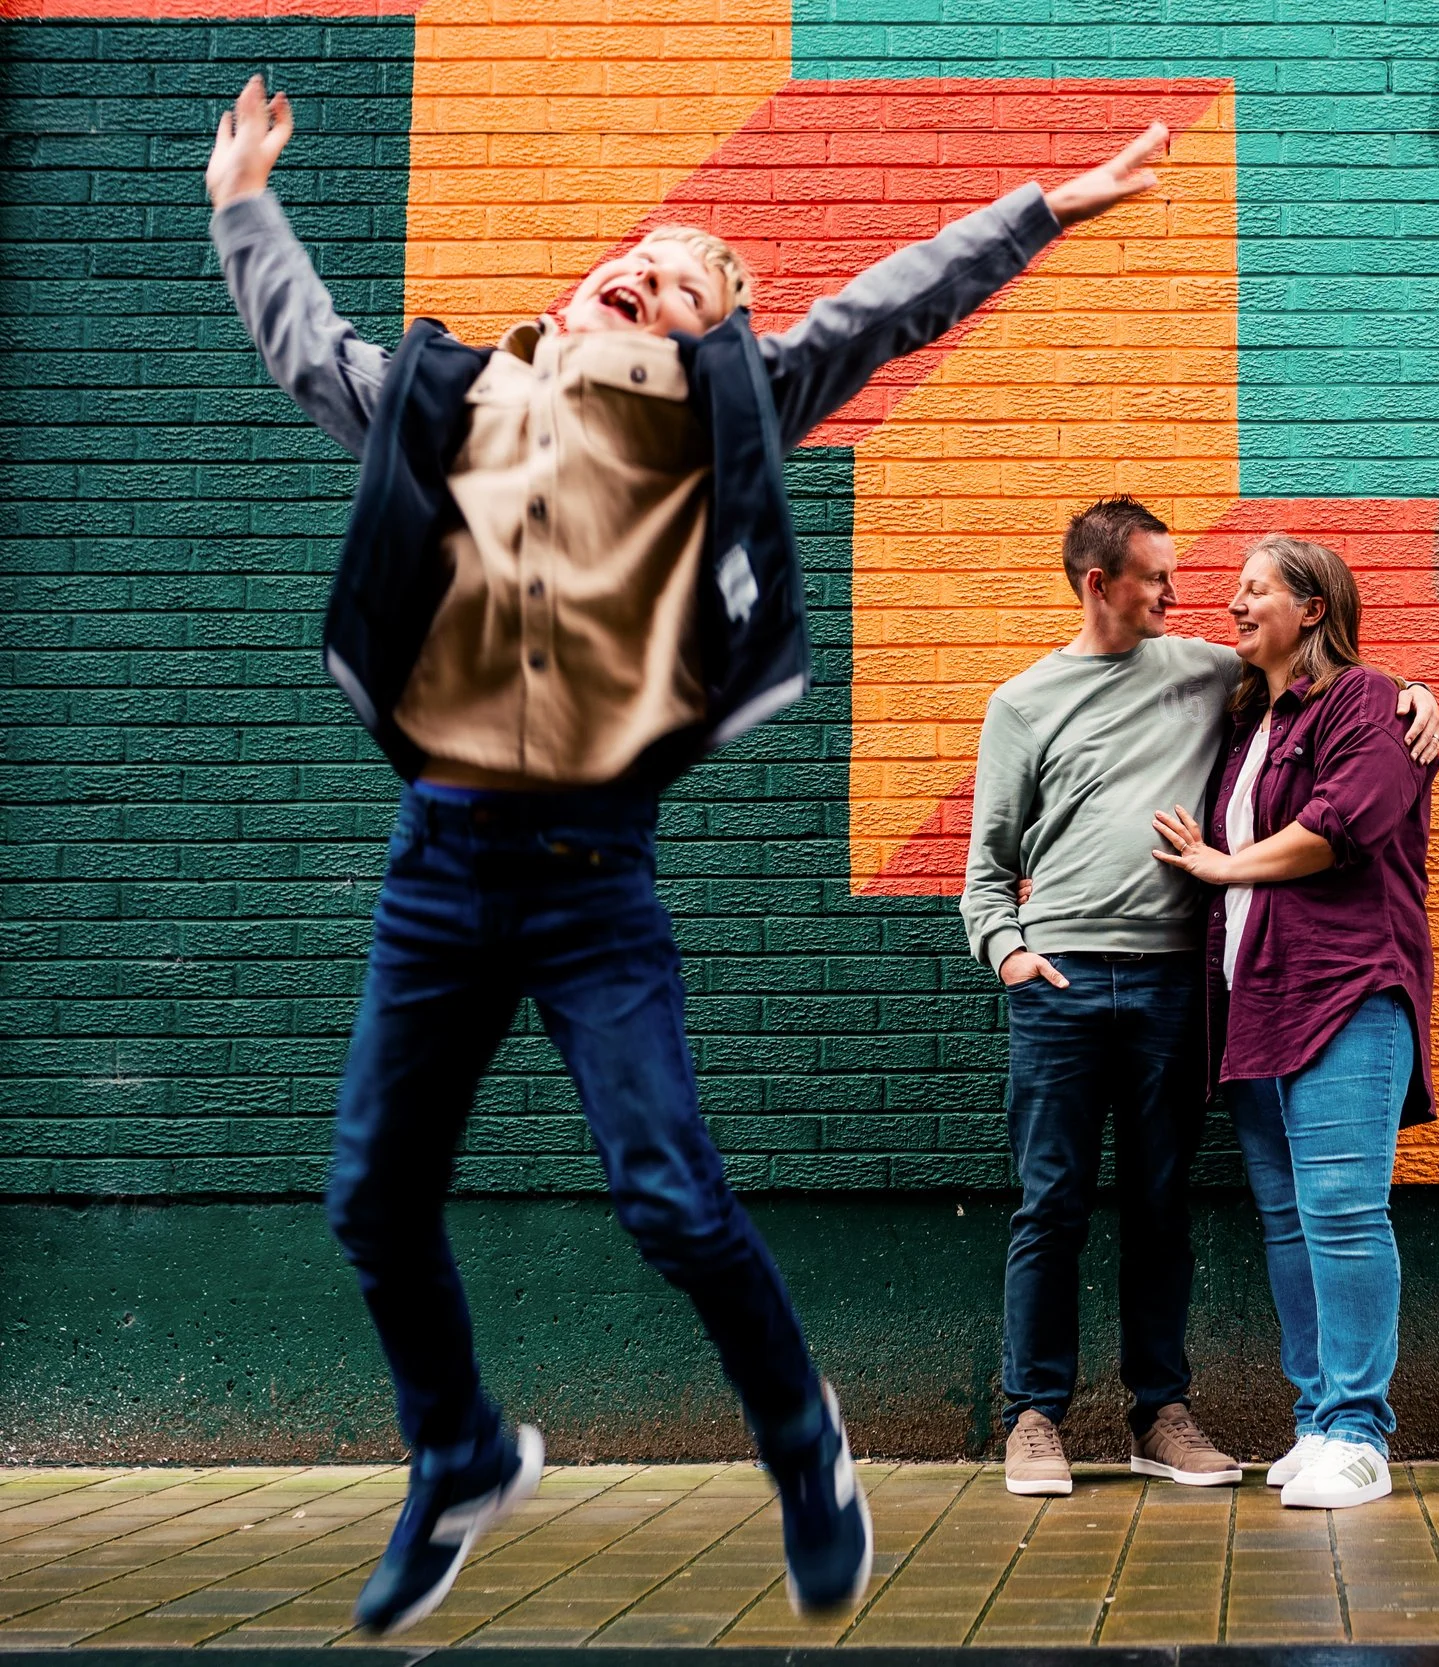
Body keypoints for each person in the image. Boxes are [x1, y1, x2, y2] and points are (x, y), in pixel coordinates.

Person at [205, 75, 1167, 1632]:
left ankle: (806, 1446)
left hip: (593, 875)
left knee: (668, 1196)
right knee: (372, 1195)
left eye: (681, 283)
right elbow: (305, 345)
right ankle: (455, 1451)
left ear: (702, 335)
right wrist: (244, 201)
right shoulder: (450, 396)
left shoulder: (720, 414)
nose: (640, 276)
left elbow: (882, 310)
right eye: (630, 259)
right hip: (438, 858)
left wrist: (1039, 212)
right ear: (577, 287)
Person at [961, 502, 1438, 1496]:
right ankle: (1035, 1416)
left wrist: (1415, 695)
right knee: (1051, 1205)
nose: (1193, 599)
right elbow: (985, 869)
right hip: (1063, 982)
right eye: (1157, 578)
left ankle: (1161, 1412)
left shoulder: (1211, 673)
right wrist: (1008, 951)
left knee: (1162, 1206)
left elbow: (1338, 692)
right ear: (1100, 583)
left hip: (1183, 985)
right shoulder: (1025, 703)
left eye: (1226, 587)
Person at [1151, 535, 1437, 1510]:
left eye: (1255, 589)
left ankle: (1360, 1429)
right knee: (1289, 1218)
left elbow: (1344, 823)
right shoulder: (1246, 724)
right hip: (1256, 1006)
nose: (1233, 604)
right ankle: (1317, 1417)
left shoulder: (1363, 700)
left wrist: (1221, 866)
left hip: (1347, 993)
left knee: (1344, 1211)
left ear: (1313, 608)